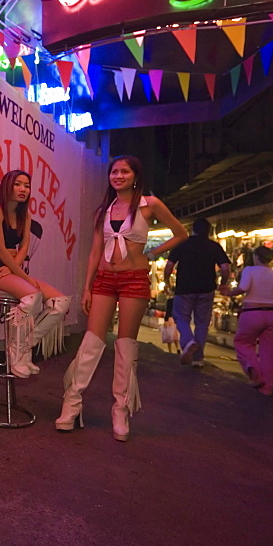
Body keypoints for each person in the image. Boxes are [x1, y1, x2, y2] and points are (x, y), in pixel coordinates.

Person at [55, 155, 187, 441]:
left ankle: (121, 410)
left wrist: (151, 254)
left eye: (124, 171)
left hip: (133, 279)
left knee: (126, 344)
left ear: (135, 176)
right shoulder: (105, 209)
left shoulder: (150, 205)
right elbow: (94, 252)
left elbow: (181, 233)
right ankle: (72, 402)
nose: (118, 176)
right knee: (92, 340)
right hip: (104, 279)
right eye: (114, 171)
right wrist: (87, 287)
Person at [0, 170, 71, 378]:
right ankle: (16, 352)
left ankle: (23, 347)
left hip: (10, 268)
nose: (23, 189)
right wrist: (25, 277)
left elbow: (25, 246)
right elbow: (0, 250)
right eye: (18, 184)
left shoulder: (24, 214)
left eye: (27, 186)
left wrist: (13, 269)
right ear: (7, 186)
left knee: (60, 302)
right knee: (33, 297)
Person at [220, 245, 273, 396]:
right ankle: (267, 388)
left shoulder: (249, 270)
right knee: (271, 354)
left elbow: (243, 287)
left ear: (256, 257)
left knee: (243, 342)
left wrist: (229, 293)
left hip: (252, 313)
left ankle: (253, 370)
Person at [163, 218, 231, 367]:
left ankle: (188, 342)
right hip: (206, 290)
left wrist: (167, 281)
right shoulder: (214, 246)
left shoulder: (183, 245)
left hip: (184, 289)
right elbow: (225, 268)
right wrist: (223, 284)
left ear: (192, 230)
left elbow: (169, 266)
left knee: (181, 318)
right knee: (202, 324)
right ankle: (198, 358)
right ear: (208, 231)